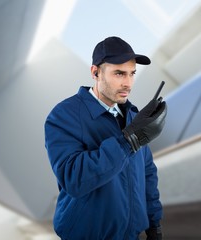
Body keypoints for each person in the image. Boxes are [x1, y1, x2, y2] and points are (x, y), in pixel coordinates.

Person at [44, 36, 166, 240]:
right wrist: (128, 141)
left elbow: (147, 174)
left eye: (132, 74)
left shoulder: (133, 118)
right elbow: (74, 178)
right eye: (119, 73)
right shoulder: (63, 116)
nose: (128, 83)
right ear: (95, 72)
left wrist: (155, 224)